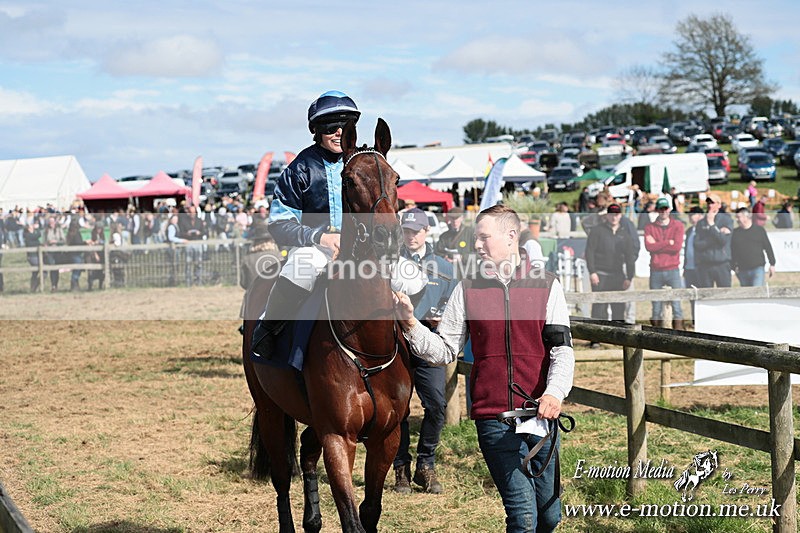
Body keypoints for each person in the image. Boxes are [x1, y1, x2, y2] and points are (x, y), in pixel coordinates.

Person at [394, 205, 574, 532]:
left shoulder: (548, 286)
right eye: (476, 237)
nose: (477, 245)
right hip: (494, 419)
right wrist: (409, 322)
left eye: (483, 237)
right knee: (523, 517)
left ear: (510, 236)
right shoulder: (467, 289)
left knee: (548, 516)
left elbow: (562, 350)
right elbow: (444, 348)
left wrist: (554, 393)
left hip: (540, 416)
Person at [251, 90, 426, 357]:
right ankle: (267, 331)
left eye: (344, 127)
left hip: (363, 251)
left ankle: (413, 344)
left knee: (415, 280)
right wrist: (319, 238)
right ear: (317, 131)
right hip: (316, 250)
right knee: (298, 270)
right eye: (330, 127)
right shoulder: (300, 168)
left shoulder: (364, 164)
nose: (338, 133)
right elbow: (279, 222)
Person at [393, 208, 458, 495]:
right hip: (396, 347)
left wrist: (441, 316)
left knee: (436, 406)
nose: (411, 236)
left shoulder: (443, 267)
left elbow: (453, 301)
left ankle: (426, 464)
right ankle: (400, 468)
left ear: (426, 231)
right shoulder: (390, 263)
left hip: (428, 344)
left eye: (416, 231)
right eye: (406, 231)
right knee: (398, 410)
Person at [584, 204, 637, 328]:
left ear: (620, 216)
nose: (614, 217)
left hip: (618, 275)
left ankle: (618, 336)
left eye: (616, 214)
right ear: (607, 215)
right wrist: (592, 272)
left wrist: (629, 277)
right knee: (599, 308)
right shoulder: (597, 231)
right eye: (611, 214)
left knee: (618, 308)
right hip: (600, 274)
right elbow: (589, 252)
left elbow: (630, 257)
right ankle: (596, 338)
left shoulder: (624, 234)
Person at [644, 198, 685, 329]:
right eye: (661, 209)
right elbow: (649, 247)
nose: (663, 212)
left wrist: (657, 244)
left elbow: (677, 247)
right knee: (655, 305)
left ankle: (678, 332)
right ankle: (656, 332)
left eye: (665, 208)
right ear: (657, 210)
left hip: (673, 269)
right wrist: (668, 242)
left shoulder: (678, 225)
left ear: (669, 209)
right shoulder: (649, 227)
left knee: (677, 304)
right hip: (656, 269)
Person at [694, 193, 733, 288]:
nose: (710, 205)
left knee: (725, 294)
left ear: (719, 205)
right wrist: (714, 238)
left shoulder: (726, 220)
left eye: (712, 203)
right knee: (706, 295)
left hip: (722, 264)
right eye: (708, 203)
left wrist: (711, 225)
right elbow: (697, 244)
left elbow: (723, 241)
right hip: (705, 264)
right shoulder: (701, 223)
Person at [731, 207, 776, 287]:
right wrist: (733, 267)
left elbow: (768, 247)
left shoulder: (759, 230)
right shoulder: (735, 233)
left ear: (746, 217)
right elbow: (732, 251)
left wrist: (772, 264)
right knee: (746, 296)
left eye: (739, 217)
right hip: (742, 270)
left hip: (757, 269)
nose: (737, 220)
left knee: (756, 294)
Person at [434, 206, 475, 274]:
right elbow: (437, 253)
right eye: (452, 218)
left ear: (462, 218)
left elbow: (479, 253)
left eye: (457, 218)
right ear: (449, 218)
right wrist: (445, 258)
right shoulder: (444, 236)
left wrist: (462, 257)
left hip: (468, 273)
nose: (455, 221)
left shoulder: (471, 233)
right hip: (450, 272)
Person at [682, 206, 705, 327]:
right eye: (689, 215)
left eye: (693, 214)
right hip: (689, 269)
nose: (690, 217)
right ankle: (694, 320)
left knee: (701, 295)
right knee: (691, 296)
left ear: (700, 216)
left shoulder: (705, 230)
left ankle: (702, 320)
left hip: (700, 269)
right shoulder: (689, 230)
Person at [42, 215, 65, 292]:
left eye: (52, 221)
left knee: (56, 268)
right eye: (50, 222)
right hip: (49, 252)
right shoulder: (46, 230)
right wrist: (46, 244)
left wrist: (56, 242)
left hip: (58, 251)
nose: (51, 223)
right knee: (52, 267)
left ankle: (56, 285)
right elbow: (44, 241)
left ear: (55, 222)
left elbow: (63, 240)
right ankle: (53, 285)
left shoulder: (59, 229)